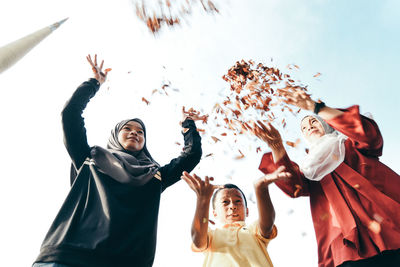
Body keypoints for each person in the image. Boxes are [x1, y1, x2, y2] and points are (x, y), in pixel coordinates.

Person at [33, 55, 203, 267]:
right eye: (128, 129)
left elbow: (191, 156)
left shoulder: (155, 175)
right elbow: (70, 114)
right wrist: (94, 83)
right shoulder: (90, 158)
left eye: (140, 132)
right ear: (115, 135)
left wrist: (188, 125)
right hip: (67, 257)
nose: (135, 133)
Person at [253, 88, 400, 267]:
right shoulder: (310, 170)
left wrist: (316, 108)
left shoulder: (350, 145)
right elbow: (292, 184)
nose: (309, 127)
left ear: (326, 124)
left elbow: (369, 135)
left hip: (388, 224)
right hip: (346, 244)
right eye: (304, 128)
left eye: (314, 121)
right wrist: (277, 146)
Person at [181, 166, 291, 267]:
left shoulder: (253, 231)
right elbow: (198, 240)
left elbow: (267, 223)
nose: (232, 206)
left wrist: (261, 189)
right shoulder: (211, 236)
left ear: (247, 211)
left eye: (238, 201)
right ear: (214, 213)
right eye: (225, 202)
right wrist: (203, 200)